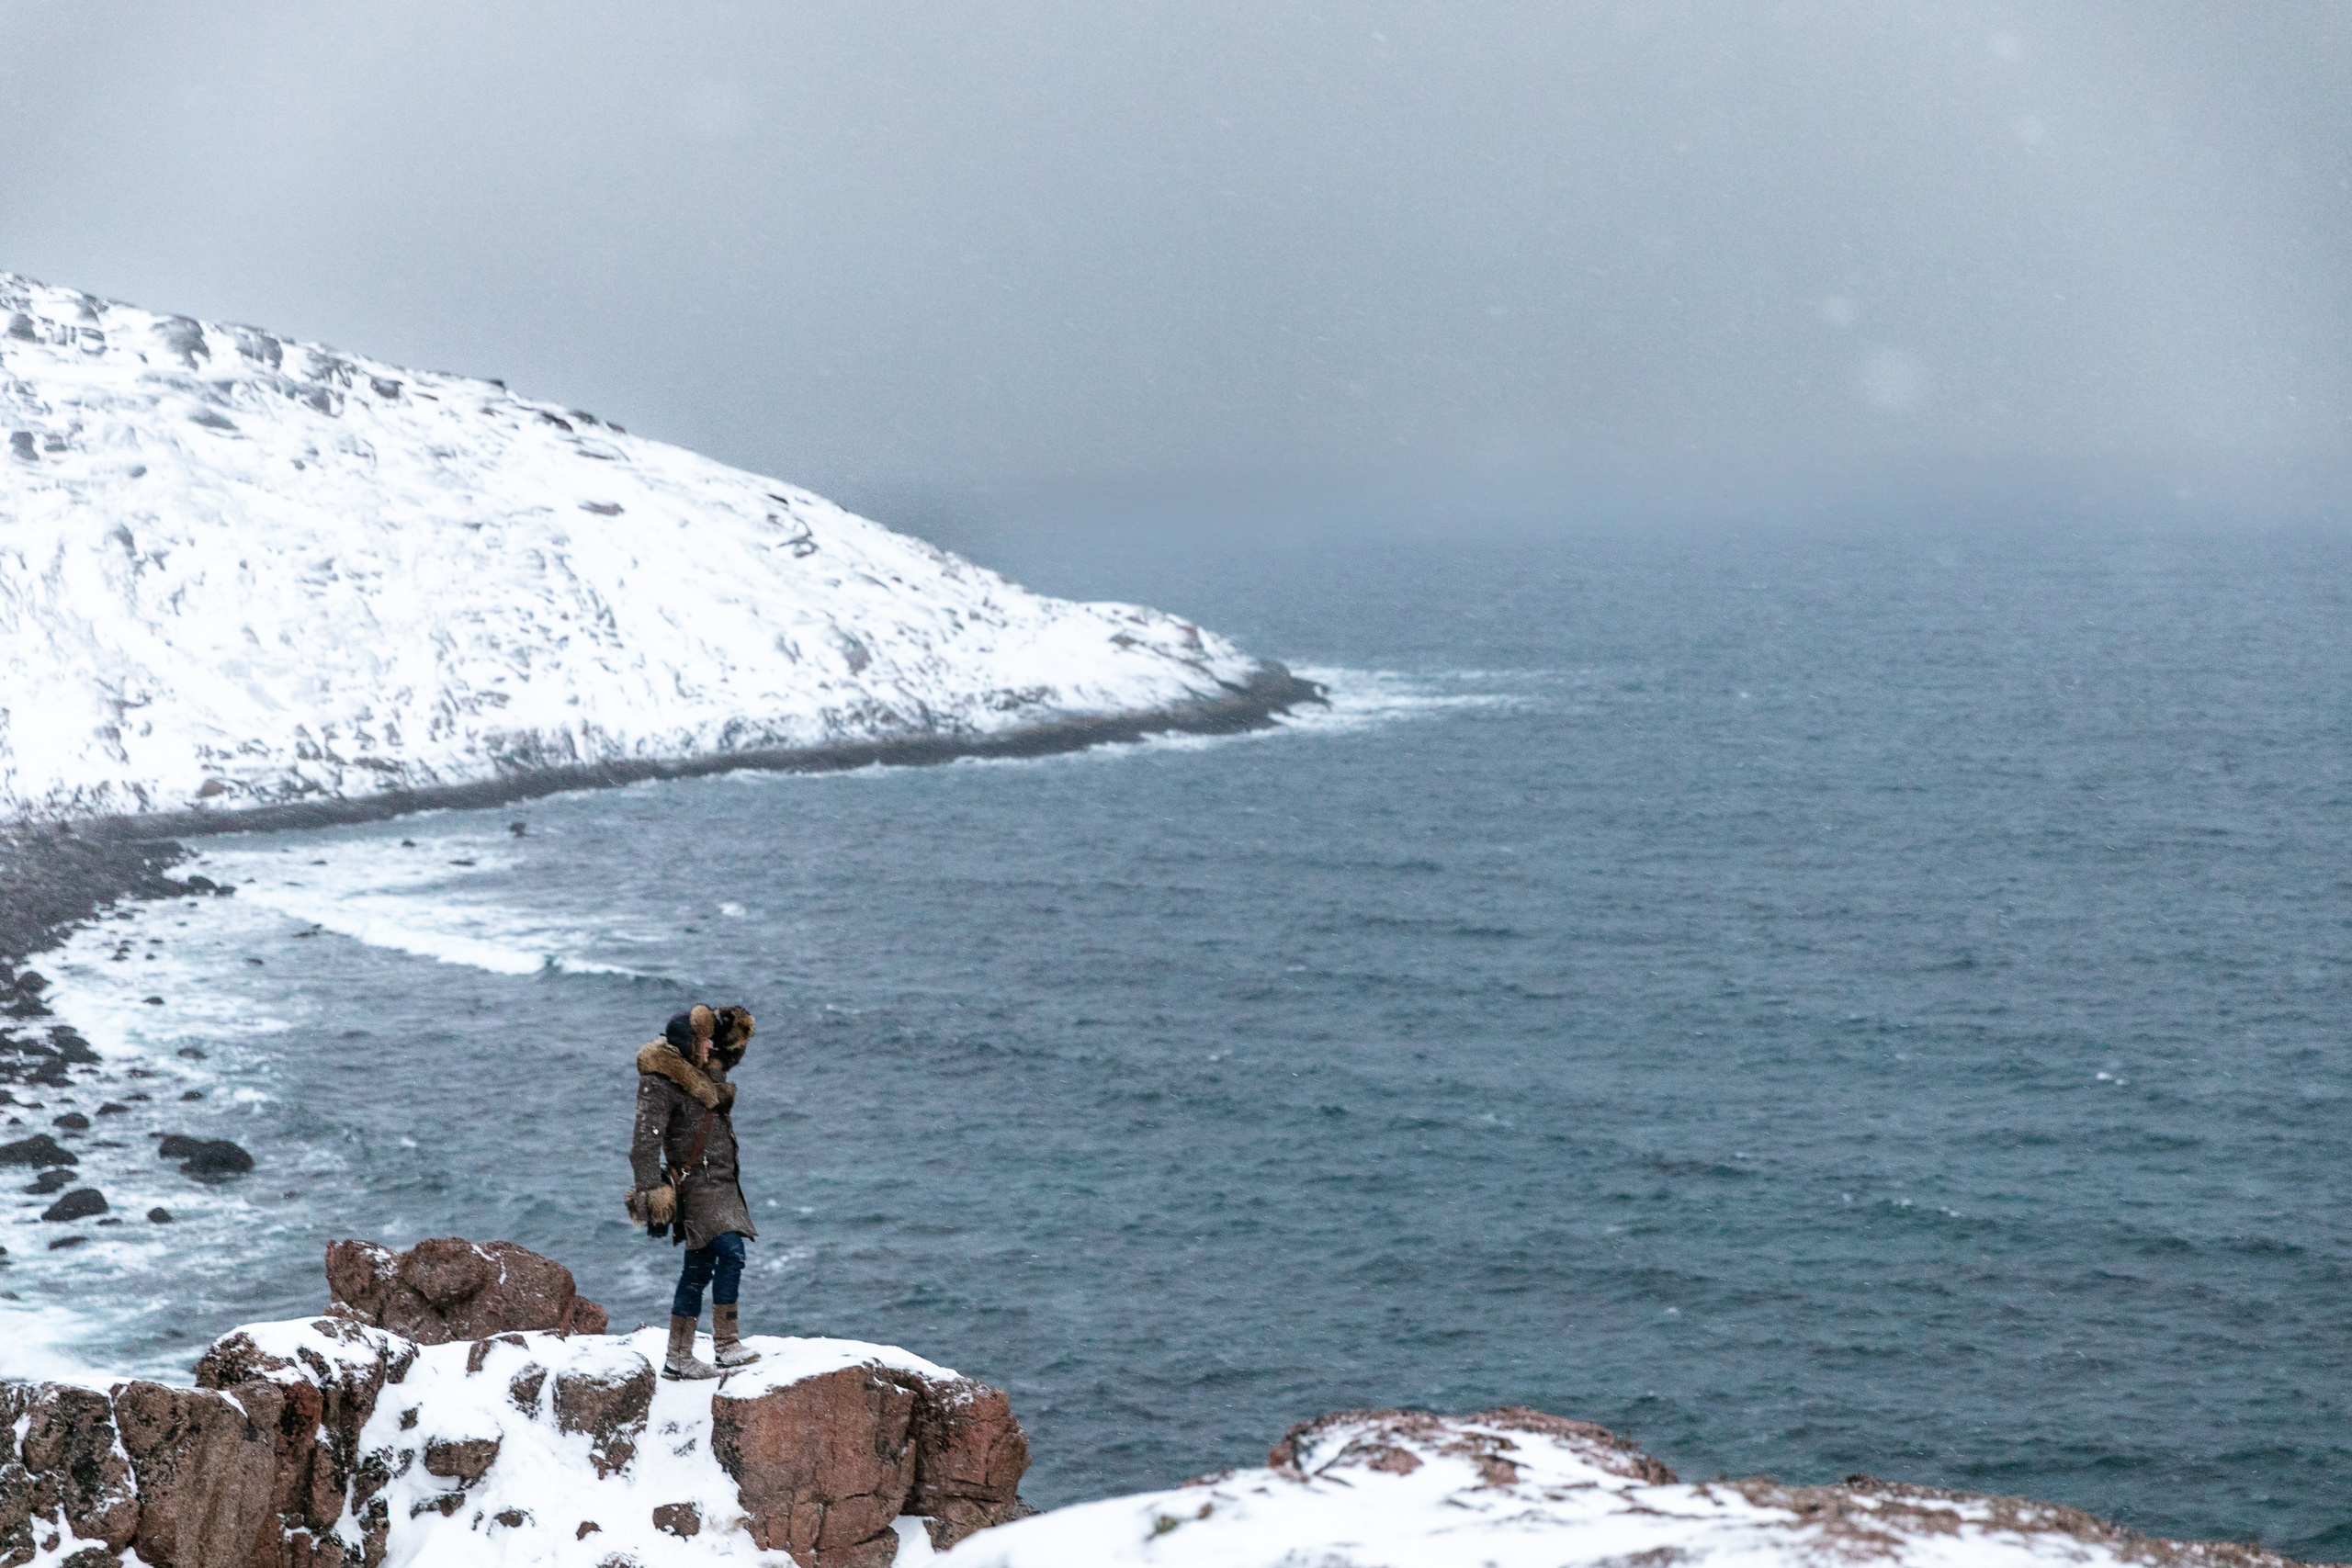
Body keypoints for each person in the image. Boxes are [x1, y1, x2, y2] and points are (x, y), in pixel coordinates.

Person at [628, 1002, 761, 1379]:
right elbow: (643, 1146)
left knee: (698, 1269)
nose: (709, 1047)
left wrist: (729, 1023)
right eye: (703, 1041)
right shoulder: (659, 1082)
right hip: (697, 1186)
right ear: (688, 1044)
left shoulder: (704, 1066)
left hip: (723, 1181)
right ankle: (727, 1345)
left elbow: (728, 1051)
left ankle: (678, 1358)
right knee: (731, 1252)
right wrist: (651, 1199)